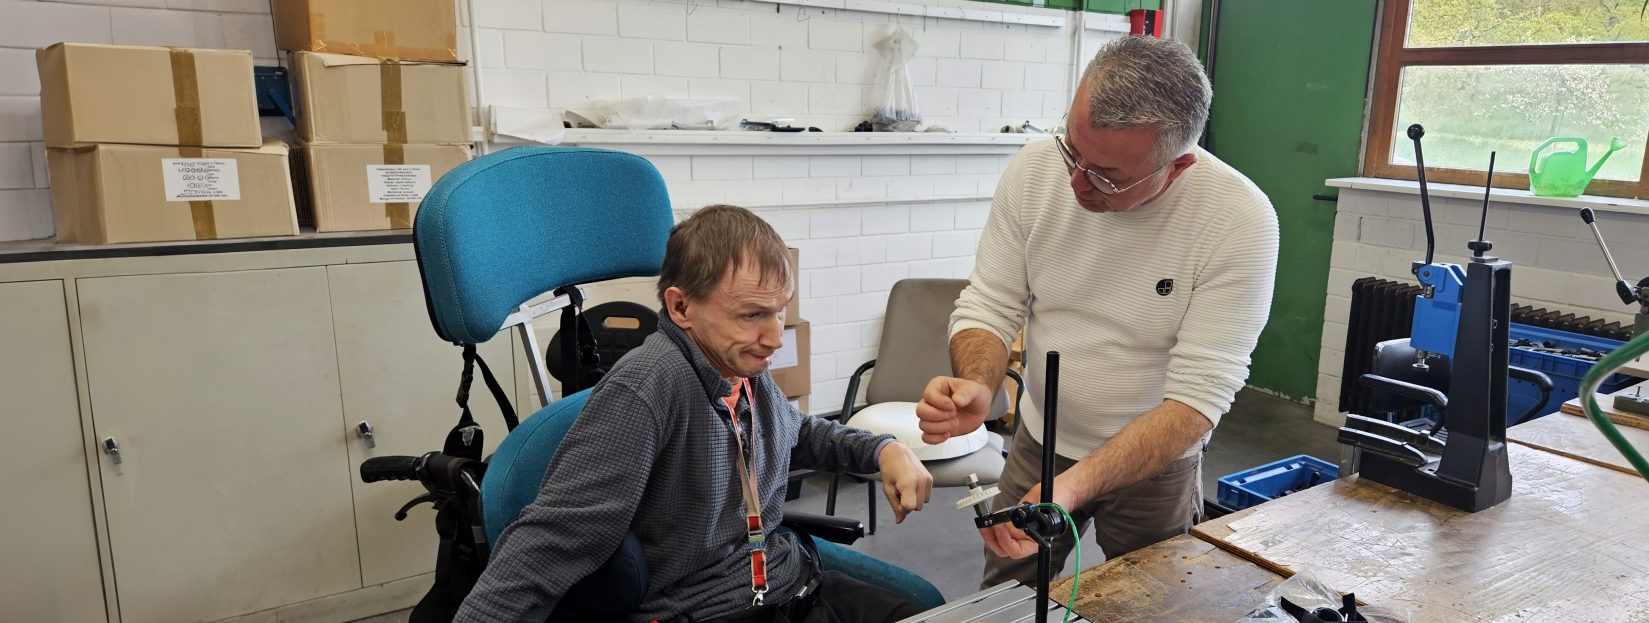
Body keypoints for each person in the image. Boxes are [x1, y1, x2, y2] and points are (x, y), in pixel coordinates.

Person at [914, 36, 1279, 588]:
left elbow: (1199, 396)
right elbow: (991, 302)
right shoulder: (1036, 171)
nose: (1076, 182)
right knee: (1012, 591)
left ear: (1176, 167)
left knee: (1150, 600)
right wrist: (977, 384)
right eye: (1072, 151)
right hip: (1040, 439)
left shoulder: (1238, 220)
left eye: (1107, 175)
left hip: (1155, 463)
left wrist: (1076, 485)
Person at [456, 205, 935, 623]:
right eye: (752, 315)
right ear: (681, 306)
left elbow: (797, 432)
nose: (775, 336)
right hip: (708, 610)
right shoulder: (646, 388)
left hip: (788, 584)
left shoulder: (739, 366)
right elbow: (551, 541)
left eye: (779, 311)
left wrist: (882, 449)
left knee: (928, 612)